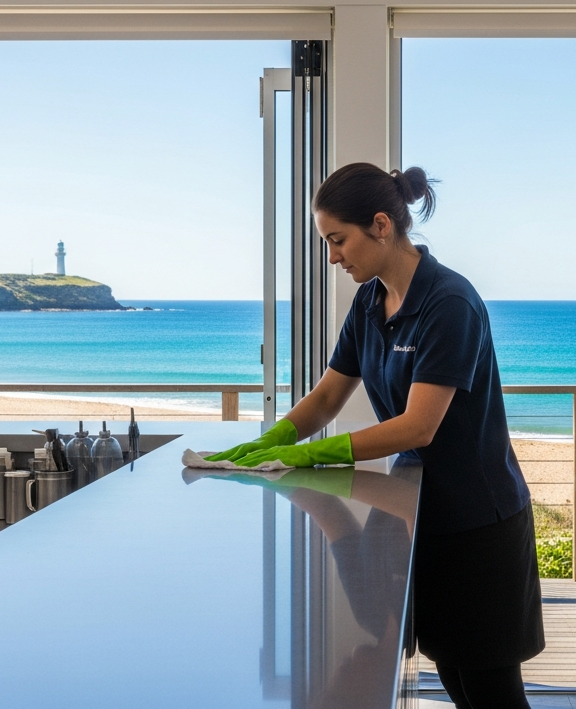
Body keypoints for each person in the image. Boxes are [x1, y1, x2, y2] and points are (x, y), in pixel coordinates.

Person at [207, 162, 543, 709]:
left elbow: (419, 426)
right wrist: (271, 440)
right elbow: (326, 398)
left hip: (479, 526)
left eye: (339, 240)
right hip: (418, 519)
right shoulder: (370, 302)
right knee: (456, 680)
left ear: (381, 225)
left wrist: (312, 456)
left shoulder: (448, 303)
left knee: (492, 695)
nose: (334, 256)